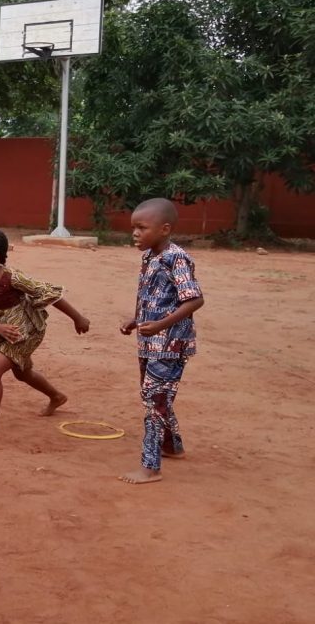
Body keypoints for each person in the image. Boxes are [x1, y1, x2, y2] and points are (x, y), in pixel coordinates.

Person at [0, 227, 90, 446]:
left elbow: (48, 292)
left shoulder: (12, 277)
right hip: (5, 331)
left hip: (27, 331)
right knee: (23, 372)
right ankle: (57, 397)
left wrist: (78, 318)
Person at [119, 198, 205, 484]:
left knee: (154, 401)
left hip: (169, 345)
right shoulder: (150, 256)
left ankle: (150, 466)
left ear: (165, 229)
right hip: (150, 341)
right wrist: (136, 318)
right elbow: (149, 293)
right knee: (155, 397)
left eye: (142, 228)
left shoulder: (176, 257)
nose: (135, 233)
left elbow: (194, 300)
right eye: (134, 228)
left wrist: (160, 326)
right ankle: (172, 447)